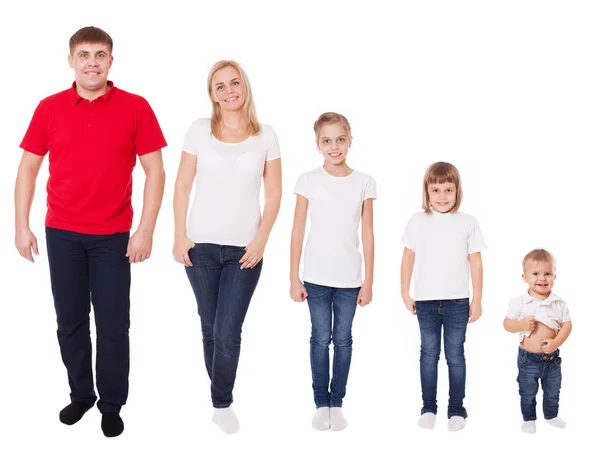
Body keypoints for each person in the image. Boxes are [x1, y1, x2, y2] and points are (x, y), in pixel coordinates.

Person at [14, 26, 167, 438]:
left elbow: (156, 170)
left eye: (100, 54)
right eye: (84, 54)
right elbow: (28, 168)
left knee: (115, 323)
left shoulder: (136, 107)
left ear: (111, 62)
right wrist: (20, 226)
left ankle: (112, 403)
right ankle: (81, 395)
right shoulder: (48, 108)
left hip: (113, 237)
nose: (92, 62)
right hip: (60, 233)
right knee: (70, 321)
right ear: (71, 61)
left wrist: (145, 230)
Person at [172, 60, 282, 434]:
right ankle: (219, 399)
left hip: (244, 251)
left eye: (234, 83)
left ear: (245, 86)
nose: (229, 90)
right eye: (220, 86)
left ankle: (222, 401)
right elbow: (183, 185)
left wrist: (261, 240)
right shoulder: (199, 131)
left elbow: (275, 192)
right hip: (199, 247)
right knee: (209, 326)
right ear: (212, 95)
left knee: (227, 330)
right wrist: (179, 235)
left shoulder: (265, 135)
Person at [289, 112, 376, 431]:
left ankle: (336, 403)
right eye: (326, 141)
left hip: (350, 279)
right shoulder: (307, 180)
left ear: (350, 140)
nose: (334, 146)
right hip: (315, 277)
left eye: (340, 139)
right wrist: (293, 276)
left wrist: (368, 281)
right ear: (318, 144)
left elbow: (368, 234)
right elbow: (297, 230)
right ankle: (320, 402)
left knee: (343, 340)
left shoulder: (364, 181)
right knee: (318, 338)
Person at [400, 161, 485, 431]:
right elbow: (407, 258)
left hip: (458, 302)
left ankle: (457, 409)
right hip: (425, 301)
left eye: (448, 189)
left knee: (456, 355)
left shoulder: (467, 222)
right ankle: (428, 407)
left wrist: (478, 298)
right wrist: (405, 292)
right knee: (428, 354)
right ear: (427, 192)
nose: (442, 196)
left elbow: (476, 262)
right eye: (435, 190)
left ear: (457, 191)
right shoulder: (417, 220)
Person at [503, 249, 572, 434]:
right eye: (535, 274)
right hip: (528, 359)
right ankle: (529, 418)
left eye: (547, 274)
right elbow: (507, 324)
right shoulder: (520, 302)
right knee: (527, 392)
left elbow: (567, 325)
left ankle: (551, 415)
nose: (542, 278)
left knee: (553, 391)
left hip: (552, 360)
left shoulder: (559, 303)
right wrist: (521, 324)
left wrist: (556, 342)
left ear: (554, 276)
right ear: (524, 277)